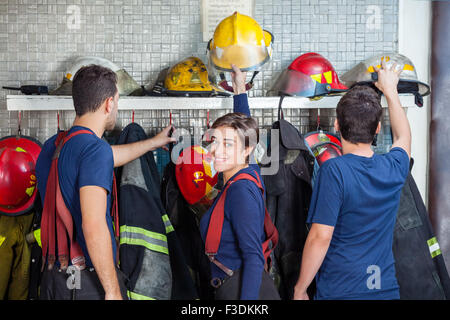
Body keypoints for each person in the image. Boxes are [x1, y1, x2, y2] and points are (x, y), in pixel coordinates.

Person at [36, 65, 175, 300]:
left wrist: (152, 142)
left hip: (53, 280)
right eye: (117, 103)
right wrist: (112, 290)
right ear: (109, 104)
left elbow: (111, 156)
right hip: (86, 284)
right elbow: (93, 224)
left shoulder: (55, 145)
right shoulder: (94, 151)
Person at [293, 60, 411, 300]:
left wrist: (300, 288)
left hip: (341, 291)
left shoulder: (334, 171)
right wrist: (390, 91)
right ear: (377, 128)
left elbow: (320, 237)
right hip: (385, 290)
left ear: (337, 125)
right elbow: (403, 136)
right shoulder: (394, 166)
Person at [198, 65, 279, 300]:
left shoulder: (240, 191)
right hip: (236, 286)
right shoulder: (244, 171)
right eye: (215, 141)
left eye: (227, 144)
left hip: (244, 291)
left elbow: (253, 257)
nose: (215, 150)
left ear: (246, 150)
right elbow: (244, 126)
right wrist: (239, 88)